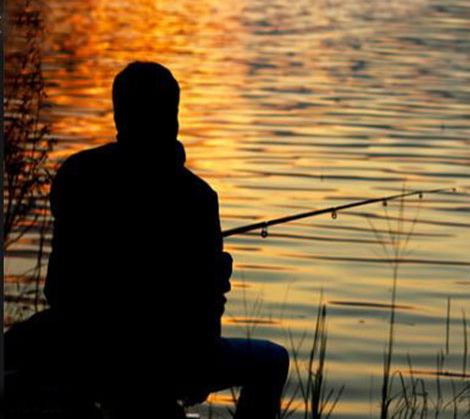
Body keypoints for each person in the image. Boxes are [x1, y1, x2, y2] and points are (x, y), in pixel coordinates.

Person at [5, 62, 289, 419]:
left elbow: (57, 290)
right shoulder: (197, 197)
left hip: (80, 345)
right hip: (165, 359)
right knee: (273, 360)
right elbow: (204, 320)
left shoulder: (77, 175)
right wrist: (216, 279)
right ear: (173, 118)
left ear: (119, 116)